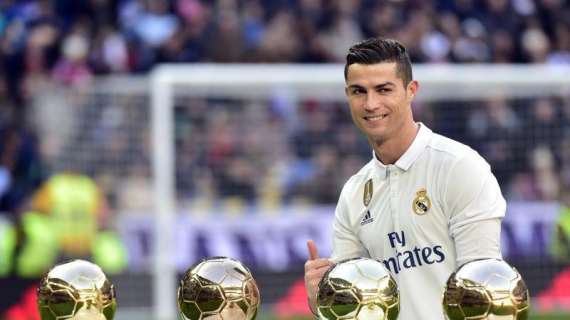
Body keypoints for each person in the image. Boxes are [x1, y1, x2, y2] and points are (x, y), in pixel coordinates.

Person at [304, 37, 506, 319]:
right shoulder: (353, 193)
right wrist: (321, 301)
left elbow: (483, 291)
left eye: (383, 89)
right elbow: (354, 309)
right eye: (359, 91)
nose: (371, 103)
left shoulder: (459, 167)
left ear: (411, 90)